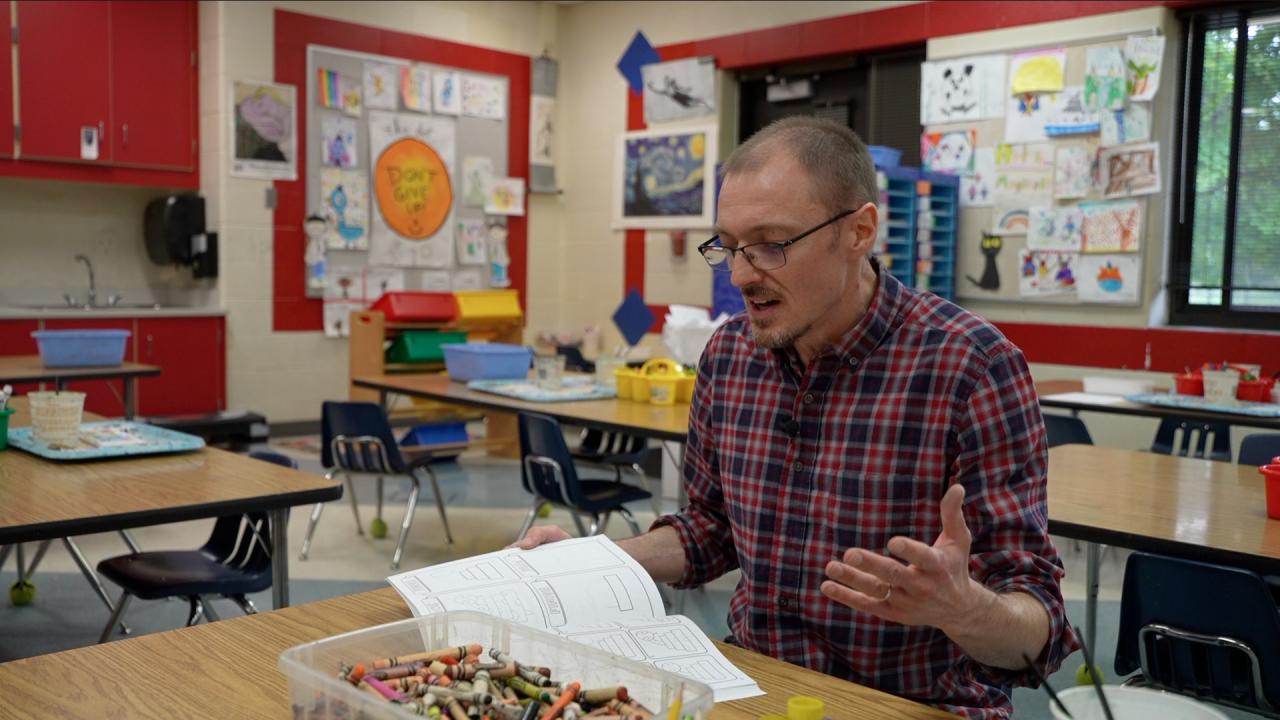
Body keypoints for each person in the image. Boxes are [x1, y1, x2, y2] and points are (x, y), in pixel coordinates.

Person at [516, 116, 1078, 718]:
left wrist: (962, 606)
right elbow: (711, 529)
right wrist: (590, 559)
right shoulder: (731, 354)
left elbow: (1035, 636)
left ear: (860, 230)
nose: (739, 276)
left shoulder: (971, 366)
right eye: (728, 246)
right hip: (754, 687)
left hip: (909, 703)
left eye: (770, 244)